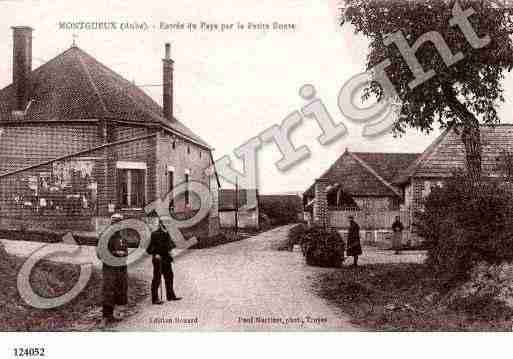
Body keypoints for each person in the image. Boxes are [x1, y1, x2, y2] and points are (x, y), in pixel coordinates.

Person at [99, 213, 129, 326]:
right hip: (109, 268)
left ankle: (115, 313)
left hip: (121, 268)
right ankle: (105, 316)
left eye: (120, 223)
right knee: (108, 290)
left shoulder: (122, 237)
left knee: (120, 289)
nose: (119, 226)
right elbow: (100, 253)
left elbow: (126, 251)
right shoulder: (105, 236)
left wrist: (124, 254)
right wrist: (115, 253)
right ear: (112, 224)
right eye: (116, 223)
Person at [147, 216, 181, 304]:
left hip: (166, 258)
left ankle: (170, 296)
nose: (168, 225)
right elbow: (149, 248)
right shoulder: (155, 234)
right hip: (158, 259)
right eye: (166, 223)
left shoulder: (168, 233)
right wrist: (156, 254)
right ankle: (155, 299)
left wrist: (171, 253)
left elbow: (170, 246)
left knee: (169, 276)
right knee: (157, 278)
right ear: (161, 223)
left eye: (169, 223)